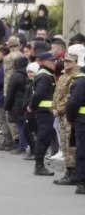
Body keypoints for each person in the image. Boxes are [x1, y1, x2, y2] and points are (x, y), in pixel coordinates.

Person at [52, 51, 80, 185]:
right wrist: (53, 107)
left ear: (76, 62)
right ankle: (68, 171)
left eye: (69, 61)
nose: (67, 63)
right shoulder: (63, 76)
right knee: (63, 143)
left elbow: (70, 97)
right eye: (65, 61)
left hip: (67, 115)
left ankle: (73, 172)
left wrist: (60, 109)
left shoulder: (75, 77)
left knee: (70, 145)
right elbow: (56, 94)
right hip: (59, 114)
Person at [29, 51, 58, 176]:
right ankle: (39, 166)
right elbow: (39, 94)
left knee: (45, 137)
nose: (54, 63)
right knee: (43, 138)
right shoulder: (44, 75)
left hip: (46, 111)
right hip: (44, 112)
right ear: (41, 62)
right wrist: (32, 106)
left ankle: (40, 165)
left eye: (54, 60)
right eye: (50, 61)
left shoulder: (46, 74)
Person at [65, 58, 85, 193]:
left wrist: (71, 118)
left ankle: (81, 181)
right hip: (82, 121)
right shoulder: (81, 82)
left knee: (82, 150)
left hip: (81, 120)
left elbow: (72, 104)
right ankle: (81, 182)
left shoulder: (80, 82)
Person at [4, 57, 32, 155]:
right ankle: (26, 145)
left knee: (20, 125)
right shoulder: (29, 74)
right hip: (27, 102)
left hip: (17, 103)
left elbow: (10, 92)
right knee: (25, 125)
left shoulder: (15, 76)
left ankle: (22, 146)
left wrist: (7, 106)